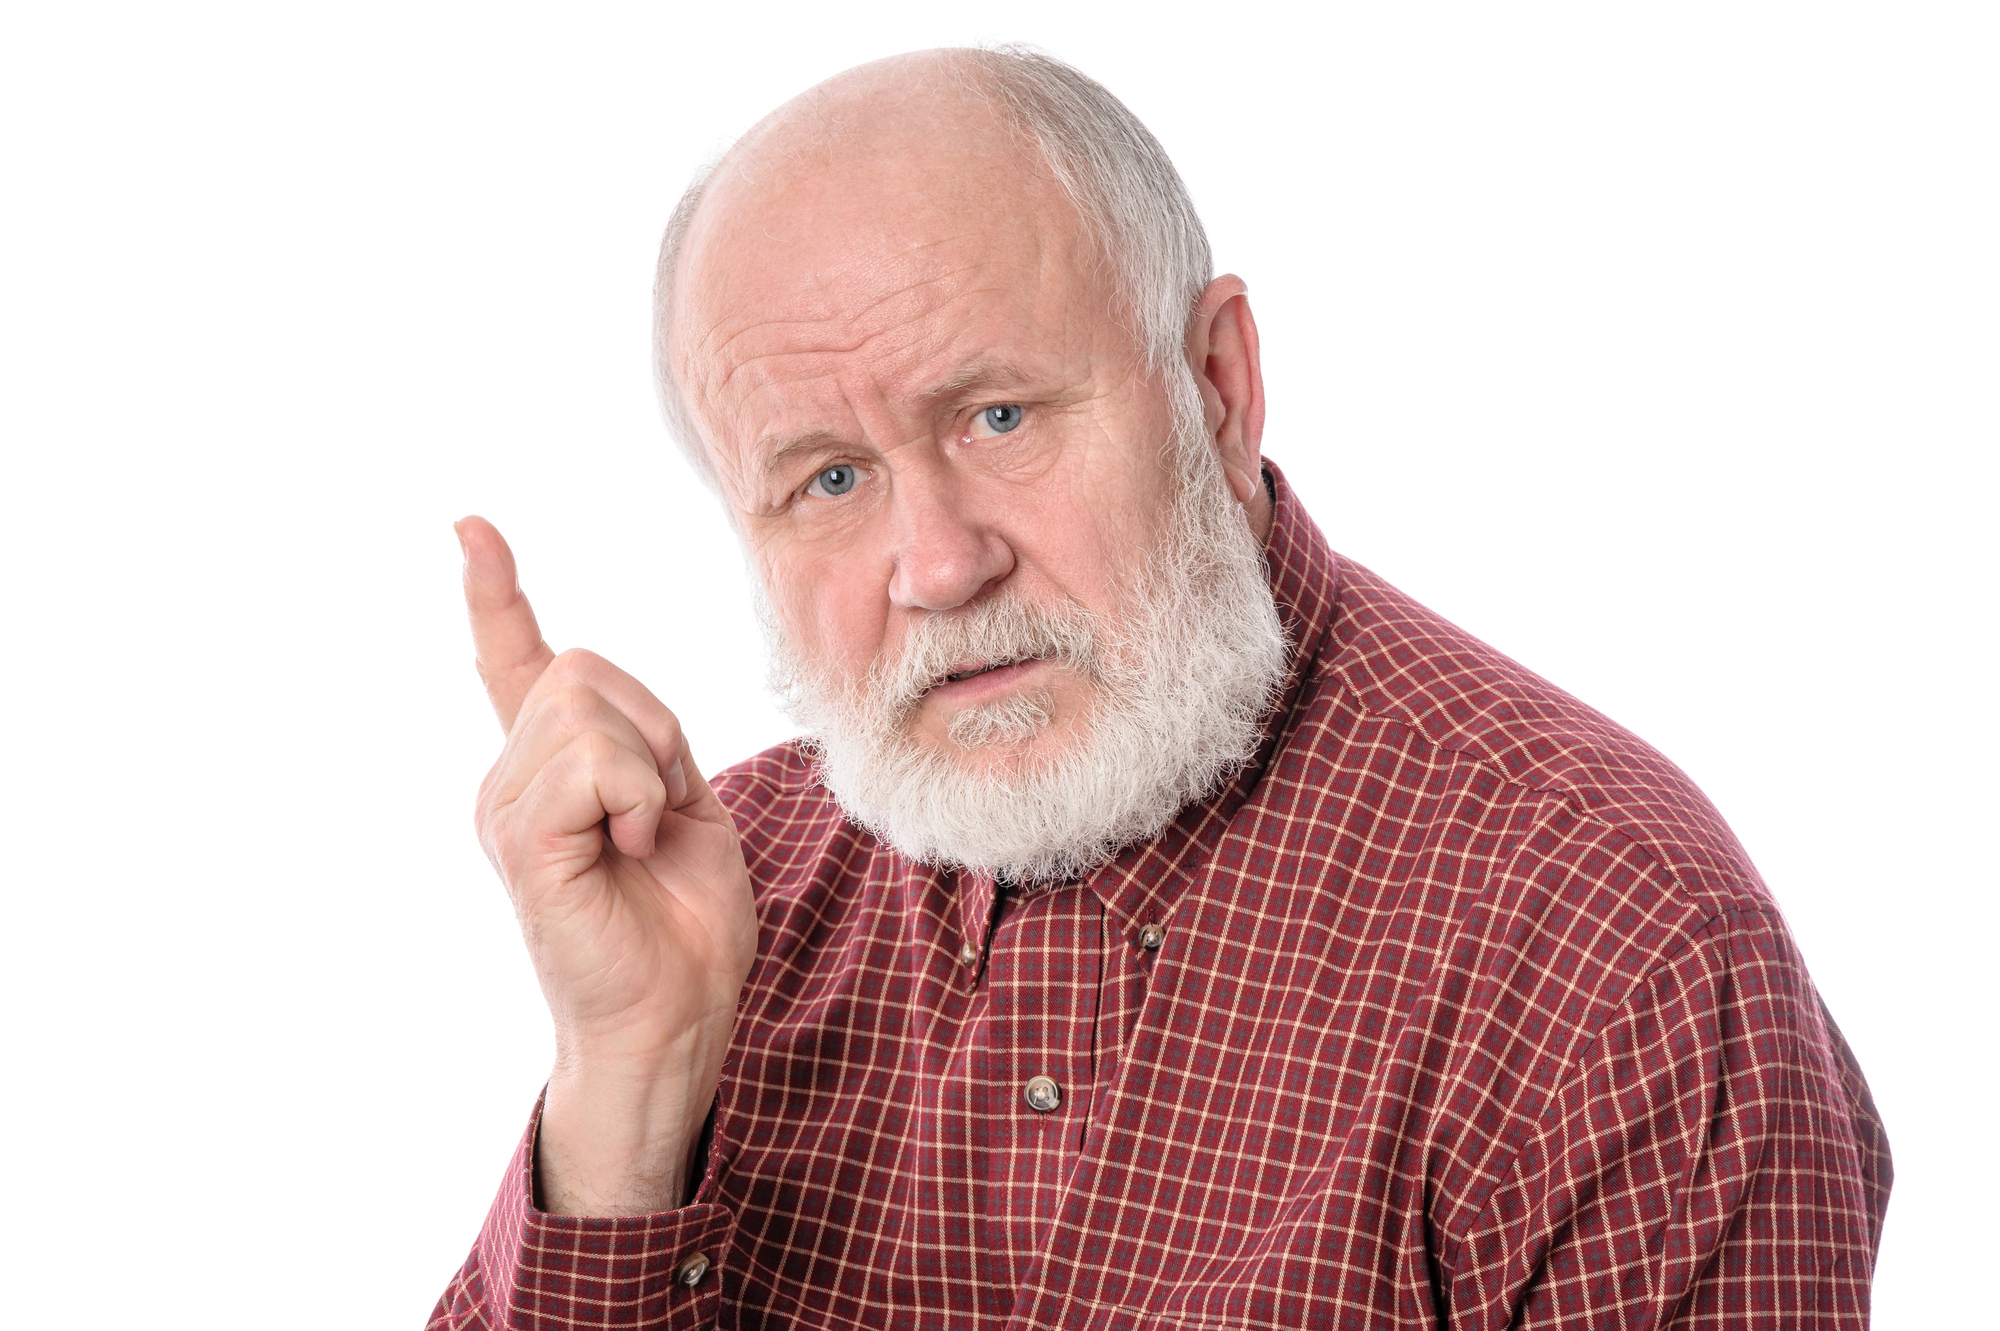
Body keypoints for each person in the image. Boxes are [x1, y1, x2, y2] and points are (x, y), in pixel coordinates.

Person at [428, 46, 1889, 1330]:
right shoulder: (727, 900)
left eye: (997, 415)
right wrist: (625, 1094)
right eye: (828, 477)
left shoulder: (1614, 943)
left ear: (1216, 382)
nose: (935, 566)